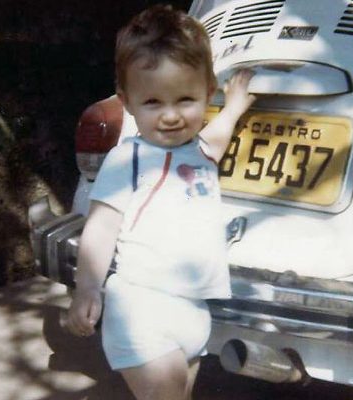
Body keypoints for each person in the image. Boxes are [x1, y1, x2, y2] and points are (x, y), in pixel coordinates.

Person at [67, 4, 255, 399]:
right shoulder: (128, 158)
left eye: (185, 99)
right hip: (142, 307)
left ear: (207, 93)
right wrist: (87, 287)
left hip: (194, 310)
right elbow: (101, 227)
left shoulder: (199, 152)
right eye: (153, 102)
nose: (170, 116)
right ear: (127, 101)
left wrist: (235, 107)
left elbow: (216, 138)